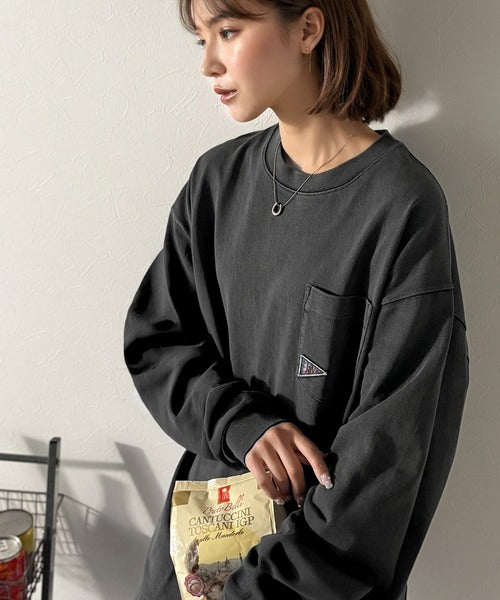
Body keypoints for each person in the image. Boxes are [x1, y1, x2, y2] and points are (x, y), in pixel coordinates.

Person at [123, 0, 470, 598]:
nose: (208, 63)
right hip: (189, 566)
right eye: (202, 38)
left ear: (308, 28)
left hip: (305, 582)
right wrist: (242, 424)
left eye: (228, 30)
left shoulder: (401, 206)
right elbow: (157, 342)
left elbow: (388, 460)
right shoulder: (216, 183)